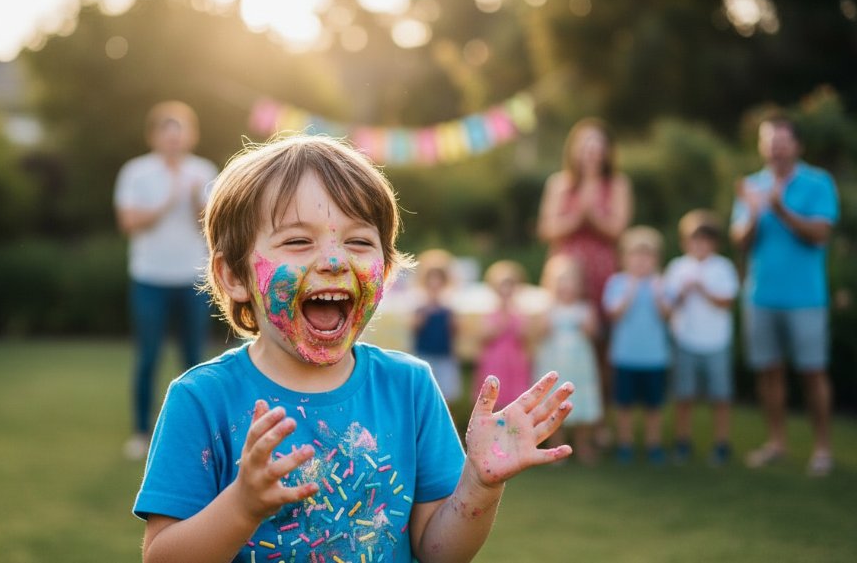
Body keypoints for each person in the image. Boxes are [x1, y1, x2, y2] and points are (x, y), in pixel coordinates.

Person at [132, 135, 575, 563]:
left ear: (384, 270)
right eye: (298, 241)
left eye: (359, 242)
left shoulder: (410, 387)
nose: (334, 260)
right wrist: (241, 507)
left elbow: (440, 552)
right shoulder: (202, 398)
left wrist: (480, 485)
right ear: (233, 276)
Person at [731, 114, 839, 476]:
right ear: (762, 147)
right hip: (760, 297)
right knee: (768, 373)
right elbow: (741, 242)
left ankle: (822, 449)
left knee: (812, 373)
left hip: (806, 298)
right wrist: (753, 212)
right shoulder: (752, 186)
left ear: (796, 146)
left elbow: (820, 235)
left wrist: (780, 210)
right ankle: (777, 444)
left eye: (782, 142)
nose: (775, 149)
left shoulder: (818, 182)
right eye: (769, 142)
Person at [113, 101, 218, 460]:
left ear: (191, 135)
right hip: (149, 278)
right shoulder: (136, 172)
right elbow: (128, 222)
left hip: (194, 278)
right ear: (154, 136)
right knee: (148, 357)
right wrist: (166, 200)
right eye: (166, 134)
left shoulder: (204, 171)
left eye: (180, 133)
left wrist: (192, 201)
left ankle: (194, 435)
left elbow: (211, 227)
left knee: (194, 359)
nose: (173, 141)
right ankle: (141, 432)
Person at [537, 118, 633, 442]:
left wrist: (594, 217)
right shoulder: (559, 184)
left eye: (598, 144)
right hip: (565, 272)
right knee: (558, 347)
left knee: (601, 347)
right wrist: (580, 216)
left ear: (606, 151)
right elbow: (547, 229)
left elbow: (617, 230)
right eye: (586, 144)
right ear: (575, 150)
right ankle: (556, 422)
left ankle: (596, 422)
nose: (592, 151)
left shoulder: (617, 184)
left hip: (602, 271)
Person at [664, 210, 739, 466]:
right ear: (685, 242)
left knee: (720, 396)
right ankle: (683, 441)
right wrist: (684, 292)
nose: (700, 245)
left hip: (717, 342)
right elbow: (668, 305)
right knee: (684, 395)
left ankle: (721, 443)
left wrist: (703, 289)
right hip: (685, 340)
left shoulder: (723, 267)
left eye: (705, 240)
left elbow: (727, 301)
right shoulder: (677, 267)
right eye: (694, 240)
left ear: (715, 243)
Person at [602, 226, 671, 465]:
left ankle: (654, 445)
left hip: (655, 357)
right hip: (624, 356)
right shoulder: (617, 282)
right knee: (624, 405)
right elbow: (614, 314)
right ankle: (625, 444)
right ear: (625, 258)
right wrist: (630, 290)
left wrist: (659, 295)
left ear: (656, 259)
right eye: (636, 255)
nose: (641, 261)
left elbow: (667, 315)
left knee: (654, 406)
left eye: (647, 256)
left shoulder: (661, 283)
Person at [535, 254, 604, 465]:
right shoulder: (548, 309)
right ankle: (557, 448)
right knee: (555, 404)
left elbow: (594, 332)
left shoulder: (585, 308)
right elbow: (538, 333)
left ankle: (583, 446)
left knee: (580, 403)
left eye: (570, 281)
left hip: (579, 365)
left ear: (579, 284)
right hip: (555, 362)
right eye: (560, 281)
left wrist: (588, 327)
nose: (565, 286)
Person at [473, 260, 532, 410]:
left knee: (514, 398)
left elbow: (526, 338)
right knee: (493, 395)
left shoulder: (520, 314)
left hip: (514, 362)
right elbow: (483, 337)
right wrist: (499, 326)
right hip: (495, 361)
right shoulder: (488, 313)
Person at [412, 249, 462, 405]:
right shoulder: (419, 306)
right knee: (424, 396)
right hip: (424, 356)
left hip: (445, 356)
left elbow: (456, 332)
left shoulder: (449, 307)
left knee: (446, 396)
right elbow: (414, 328)